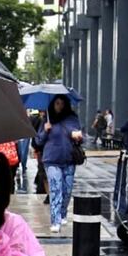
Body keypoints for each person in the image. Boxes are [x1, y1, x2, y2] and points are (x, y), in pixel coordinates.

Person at [36, 95, 84, 233]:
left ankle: (62, 213)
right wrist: (45, 130)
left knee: (67, 191)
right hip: (51, 160)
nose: (59, 106)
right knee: (56, 189)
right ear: (53, 104)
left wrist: (79, 137)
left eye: (62, 103)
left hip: (69, 160)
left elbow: (81, 139)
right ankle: (55, 220)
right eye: (57, 103)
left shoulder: (72, 119)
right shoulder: (47, 119)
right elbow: (38, 141)